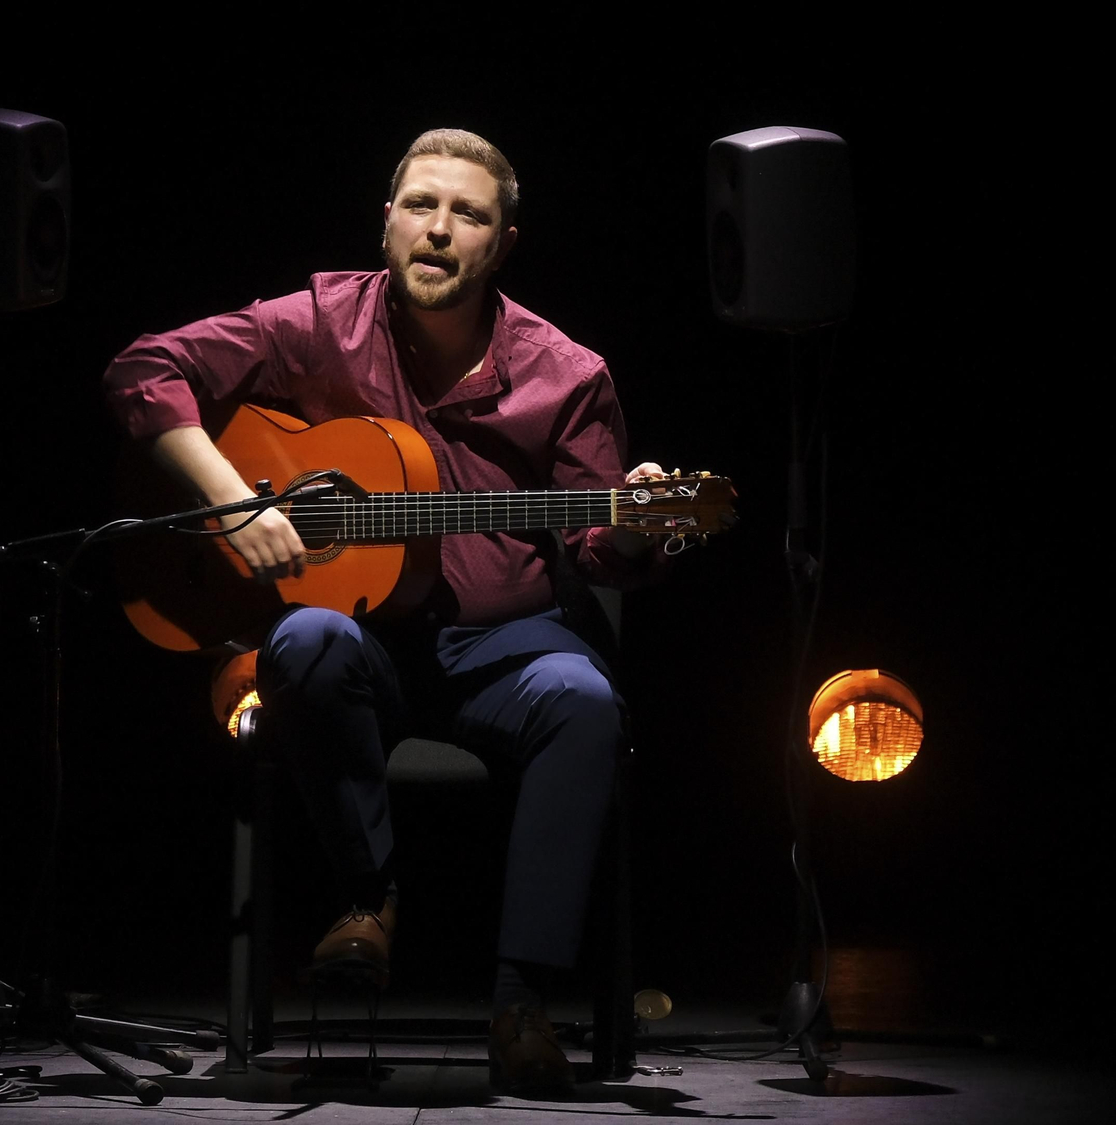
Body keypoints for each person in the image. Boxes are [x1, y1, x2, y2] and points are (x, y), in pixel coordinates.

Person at [102, 128, 669, 1093]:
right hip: (361, 642)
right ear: (387, 222)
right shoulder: (323, 322)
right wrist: (235, 501)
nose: (438, 230)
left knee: (584, 698)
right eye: (420, 206)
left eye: (468, 214)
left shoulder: (568, 374)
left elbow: (596, 550)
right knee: (303, 636)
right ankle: (368, 901)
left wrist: (639, 530)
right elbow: (142, 369)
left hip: (506, 648)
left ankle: (521, 1000)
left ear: (504, 242)